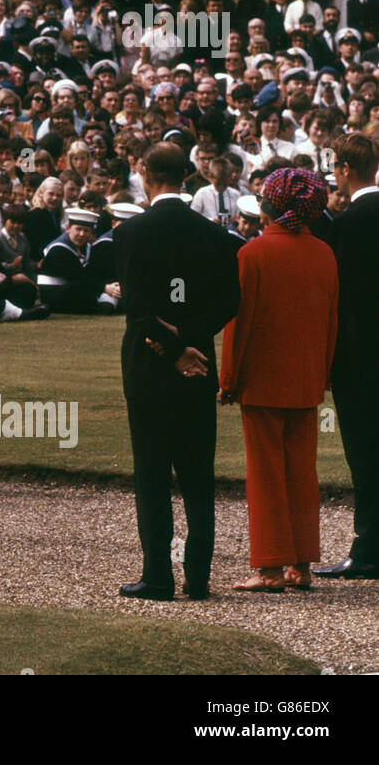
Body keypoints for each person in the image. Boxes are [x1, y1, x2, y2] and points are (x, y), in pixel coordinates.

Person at [114, 142, 241, 601]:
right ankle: (199, 576)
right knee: (196, 474)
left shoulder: (131, 232)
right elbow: (231, 301)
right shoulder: (213, 234)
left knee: (151, 473)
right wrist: (191, 340)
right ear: (187, 175)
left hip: (150, 367)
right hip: (198, 366)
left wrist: (171, 347)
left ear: (146, 173)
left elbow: (140, 309)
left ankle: (157, 576)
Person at [219, 169, 337, 592]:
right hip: (306, 378)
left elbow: (239, 323)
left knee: (266, 473)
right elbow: (330, 324)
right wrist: (322, 374)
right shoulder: (324, 253)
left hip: (264, 381)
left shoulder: (252, 254)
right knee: (302, 474)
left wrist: (228, 378)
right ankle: (301, 565)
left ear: (272, 206)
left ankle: (269, 566)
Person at [315, 132, 379, 580]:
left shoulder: (351, 222)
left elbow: (338, 298)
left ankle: (369, 547)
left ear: (345, 169)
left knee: (365, 453)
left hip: (362, 357)